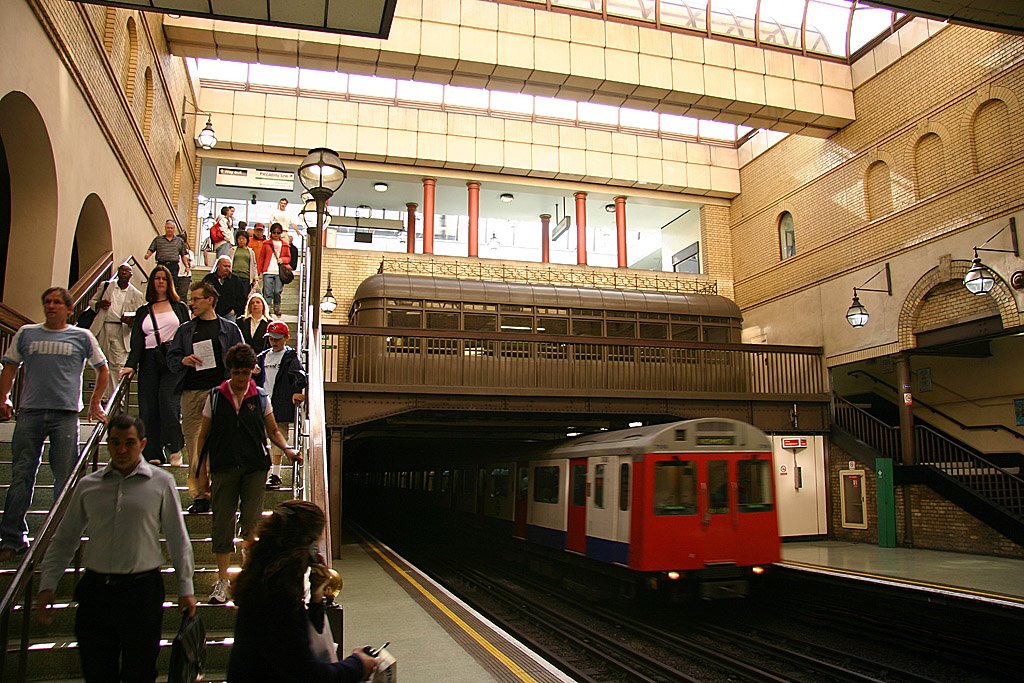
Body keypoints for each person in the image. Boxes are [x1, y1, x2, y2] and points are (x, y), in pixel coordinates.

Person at [35, 413, 196, 682]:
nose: (122, 450)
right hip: (97, 592)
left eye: (129, 443)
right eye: (115, 442)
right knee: (97, 670)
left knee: (140, 671)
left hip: (142, 592)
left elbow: (177, 537)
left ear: (142, 444)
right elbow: (65, 538)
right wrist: (48, 583)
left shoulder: (161, 482)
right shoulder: (88, 486)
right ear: (107, 444)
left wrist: (186, 588)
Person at [0, 288, 109, 562]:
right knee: (21, 474)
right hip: (30, 412)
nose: (51, 306)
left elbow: (102, 368)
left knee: (65, 478)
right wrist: (4, 397)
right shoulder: (27, 333)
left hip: (65, 414)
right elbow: (10, 366)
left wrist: (95, 403)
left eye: (57, 302)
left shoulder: (81, 336)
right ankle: (12, 538)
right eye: (47, 302)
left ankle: (61, 538)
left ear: (68, 309)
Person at [195, 343, 299, 605]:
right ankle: (222, 580)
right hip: (224, 466)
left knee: (252, 524)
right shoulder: (216, 396)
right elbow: (204, 435)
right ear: (230, 370)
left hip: (254, 467)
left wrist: (286, 449)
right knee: (222, 523)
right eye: (237, 372)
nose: (241, 378)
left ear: (253, 370)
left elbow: (273, 430)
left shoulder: (261, 397)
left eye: (245, 372)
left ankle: (248, 578)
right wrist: (201, 472)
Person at [227, 500, 377, 682]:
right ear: (308, 546)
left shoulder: (265, 580)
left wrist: (316, 596)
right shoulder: (278, 597)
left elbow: (301, 641)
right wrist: (358, 664)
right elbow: (308, 674)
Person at [166, 281, 243, 515]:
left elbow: (241, 356)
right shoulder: (186, 330)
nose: (192, 303)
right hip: (191, 393)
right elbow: (171, 359)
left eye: (197, 298)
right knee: (195, 447)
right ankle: (200, 495)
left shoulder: (229, 329)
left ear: (210, 300)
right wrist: (183, 360)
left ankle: (221, 492)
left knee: (221, 446)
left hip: (220, 393)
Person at [121, 265, 191, 466]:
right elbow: (137, 342)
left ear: (169, 283)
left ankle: (175, 446)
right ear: (152, 282)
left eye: (164, 278)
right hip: (149, 360)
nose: (160, 281)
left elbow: (187, 334)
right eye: (157, 278)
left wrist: (186, 358)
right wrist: (131, 365)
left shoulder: (179, 307)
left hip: (173, 359)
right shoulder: (143, 311)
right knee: (148, 406)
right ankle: (153, 451)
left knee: (168, 401)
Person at [255, 321, 306, 490]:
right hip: (262, 400)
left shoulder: (290, 357)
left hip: (280, 401)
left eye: (277, 338)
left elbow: (298, 374)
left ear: (286, 338)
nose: (274, 342)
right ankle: (263, 472)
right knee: (261, 437)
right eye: (271, 338)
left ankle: (275, 474)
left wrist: (298, 390)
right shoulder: (262, 357)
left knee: (278, 437)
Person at [88, 263, 143, 397]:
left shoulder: (136, 294)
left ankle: (115, 396)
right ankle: (102, 396)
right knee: (102, 361)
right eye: (122, 270)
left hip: (122, 330)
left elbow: (140, 316)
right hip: (105, 325)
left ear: (131, 275)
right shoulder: (107, 286)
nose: (124, 273)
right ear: (118, 272)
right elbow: (92, 302)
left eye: (127, 271)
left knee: (117, 364)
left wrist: (131, 321)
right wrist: (99, 304)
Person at [257, 223, 290, 317]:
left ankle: (277, 307)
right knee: (267, 292)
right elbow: (261, 258)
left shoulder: (285, 245)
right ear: (271, 233)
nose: (276, 234)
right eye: (274, 232)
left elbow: (288, 258)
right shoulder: (266, 243)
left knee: (277, 291)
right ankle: (267, 309)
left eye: (278, 232)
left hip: (279, 271)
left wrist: (282, 260)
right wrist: (258, 272)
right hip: (268, 270)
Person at [203, 254, 247, 323]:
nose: (227, 268)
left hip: (229, 314)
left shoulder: (235, 280)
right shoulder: (209, 279)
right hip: (211, 313)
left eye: (229, 266)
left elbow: (241, 297)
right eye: (225, 266)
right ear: (218, 265)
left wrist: (235, 310)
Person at [231, 230, 258, 298]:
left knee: (244, 296)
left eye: (243, 239)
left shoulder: (251, 251)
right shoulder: (233, 250)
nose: (241, 241)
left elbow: (254, 265)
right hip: (234, 276)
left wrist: (255, 276)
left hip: (246, 277)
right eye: (239, 239)